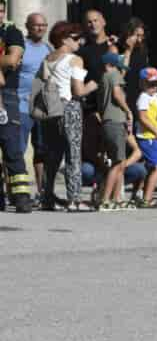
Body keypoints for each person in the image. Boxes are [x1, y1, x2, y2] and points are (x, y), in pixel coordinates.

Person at [38, 22, 96, 211]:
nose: (80, 41)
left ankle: (46, 196)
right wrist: (95, 84)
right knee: (73, 153)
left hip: (50, 109)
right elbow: (78, 91)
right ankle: (74, 199)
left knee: (52, 155)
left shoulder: (47, 59)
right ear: (64, 39)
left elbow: (43, 83)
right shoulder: (74, 60)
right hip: (69, 107)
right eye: (76, 38)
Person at [0, 7, 34, 212]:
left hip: (7, 95)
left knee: (12, 147)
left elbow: (12, 60)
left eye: (1, 11)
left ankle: (21, 197)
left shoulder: (12, 33)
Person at [17, 12, 50, 204]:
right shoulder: (21, 46)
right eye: (36, 25)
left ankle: (43, 192)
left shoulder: (47, 48)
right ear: (28, 26)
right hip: (20, 105)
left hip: (41, 107)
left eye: (43, 25)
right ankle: (15, 192)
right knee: (16, 151)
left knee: (42, 151)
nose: (40, 28)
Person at [96, 51, 133, 211]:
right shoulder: (113, 75)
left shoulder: (103, 79)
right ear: (109, 65)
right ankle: (106, 200)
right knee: (117, 163)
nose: (120, 71)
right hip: (116, 121)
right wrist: (128, 110)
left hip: (107, 122)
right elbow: (117, 94)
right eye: (118, 67)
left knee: (119, 162)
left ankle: (115, 199)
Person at [134, 67, 157, 208]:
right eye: (150, 83)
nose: (154, 86)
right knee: (156, 167)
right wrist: (155, 131)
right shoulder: (143, 98)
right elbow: (143, 117)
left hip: (156, 137)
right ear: (142, 83)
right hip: (147, 137)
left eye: (156, 83)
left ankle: (140, 194)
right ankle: (147, 199)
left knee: (149, 167)